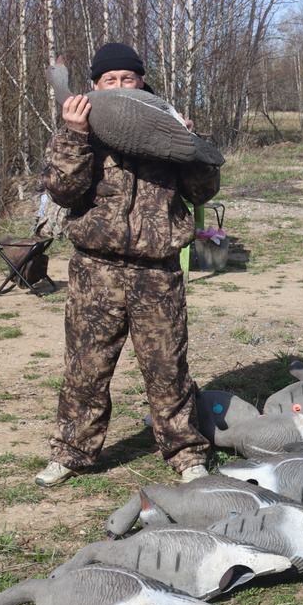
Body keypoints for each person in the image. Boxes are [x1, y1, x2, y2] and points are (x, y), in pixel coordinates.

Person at [35, 42, 219, 487]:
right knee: (85, 367)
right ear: (95, 85)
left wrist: (189, 145)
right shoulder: (82, 129)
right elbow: (62, 191)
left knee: (168, 368)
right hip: (94, 270)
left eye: (128, 78)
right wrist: (75, 135)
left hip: (157, 271)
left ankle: (185, 452)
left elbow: (202, 192)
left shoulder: (169, 125)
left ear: (142, 81)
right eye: (109, 80)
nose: (119, 86)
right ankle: (73, 451)